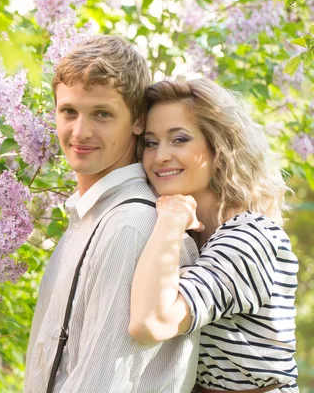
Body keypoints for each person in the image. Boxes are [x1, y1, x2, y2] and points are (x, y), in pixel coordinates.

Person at [25, 35, 201, 393]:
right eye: (69, 112)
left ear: (137, 121)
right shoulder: (90, 218)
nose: (81, 132)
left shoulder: (131, 227)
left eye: (102, 114)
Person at [129, 78, 299, 392]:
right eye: (151, 143)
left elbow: (150, 323)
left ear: (219, 147)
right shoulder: (193, 237)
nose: (160, 156)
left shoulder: (250, 238)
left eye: (179, 139)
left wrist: (172, 216)